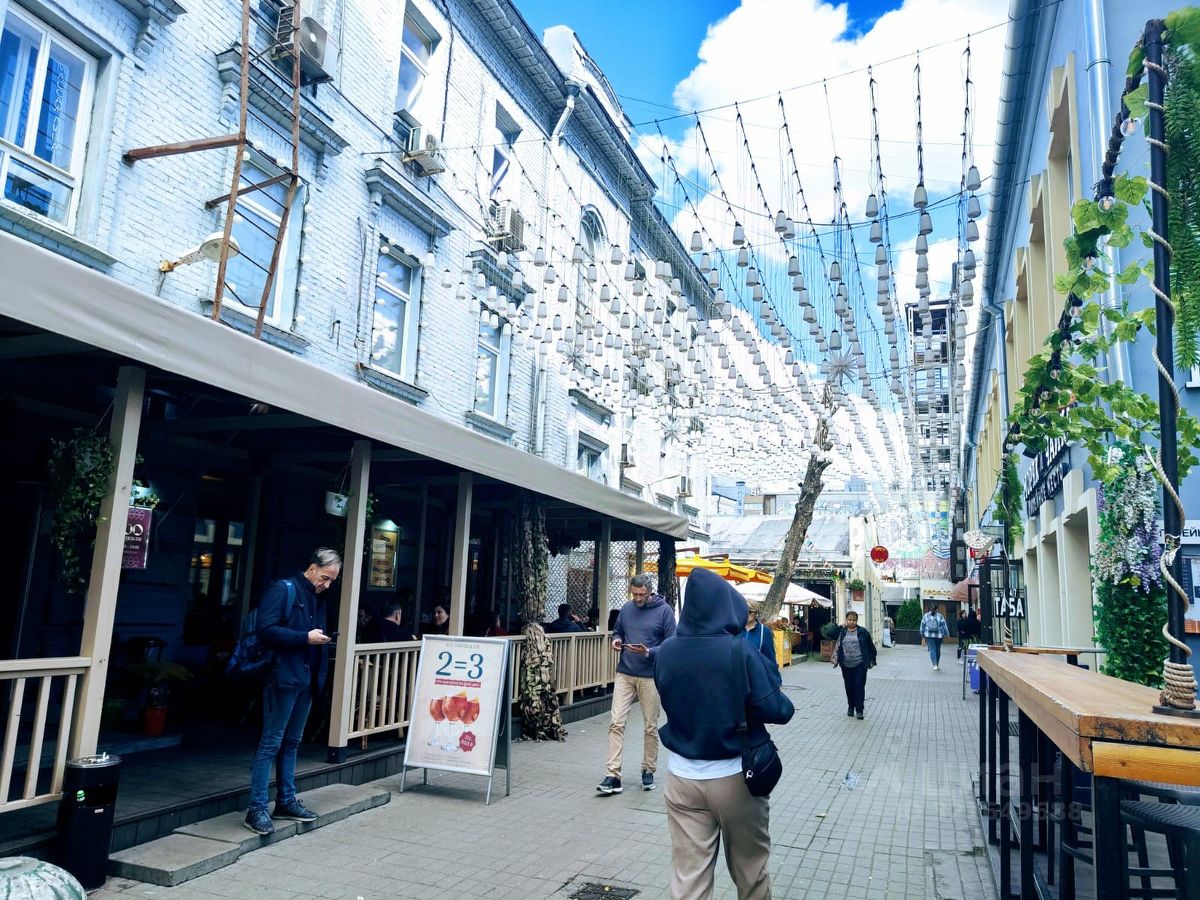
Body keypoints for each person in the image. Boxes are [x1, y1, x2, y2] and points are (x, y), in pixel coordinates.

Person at [654, 567, 794, 900]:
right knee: (750, 871)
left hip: (682, 777)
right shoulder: (738, 649)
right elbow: (779, 710)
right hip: (736, 777)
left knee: (689, 876)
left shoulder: (666, 650)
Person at [243, 548, 339, 836]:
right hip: (282, 676)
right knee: (271, 742)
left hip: (305, 679)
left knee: (292, 742)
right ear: (312, 568)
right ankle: (256, 808)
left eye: (332, 581)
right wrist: (304, 638)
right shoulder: (283, 589)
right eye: (325, 578)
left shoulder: (316, 597)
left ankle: (285, 800)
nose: (327, 584)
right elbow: (265, 629)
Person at [598, 573, 677, 795]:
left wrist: (649, 651)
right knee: (616, 722)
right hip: (625, 673)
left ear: (650, 592)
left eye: (642, 595)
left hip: (650, 676)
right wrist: (617, 640)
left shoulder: (664, 611)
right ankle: (613, 775)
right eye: (634, 594)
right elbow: (618, 631)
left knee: (650, 726)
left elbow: (672, 643)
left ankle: (648, 770)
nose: (638, 599)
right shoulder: (627, 608)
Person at [832, 611, 877, 719]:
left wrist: (872, 659)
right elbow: (830, 633)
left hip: (860, 664)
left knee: (859, 686)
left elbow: (870, 646)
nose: (851, 622)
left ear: (856, 621)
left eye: (854, 620)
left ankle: (859, 710)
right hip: (845, 664)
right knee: (849, 687)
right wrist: (838, 626)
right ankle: (851, 707)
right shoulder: (842, 631)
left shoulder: (863, 632)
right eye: (849, 620)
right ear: (846, 620)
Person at [742, 598, 778, 673]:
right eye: (743, 610)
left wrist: (775, 676)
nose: (745, 614)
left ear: (756, 613)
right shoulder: (737, 629)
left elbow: (770, 656)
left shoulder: (764, 631)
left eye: (749, 612)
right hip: (739, 674)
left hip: (756, 673)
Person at [920, 603, 950, 671]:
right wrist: (947, 633)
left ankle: (935, 665)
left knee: (932, 649)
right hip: (939, 635)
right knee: (937, 649)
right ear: (937, 609)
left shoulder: (926, 616)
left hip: (929, 635)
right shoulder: (940, 616)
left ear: (929, 608)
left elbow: (922, 625)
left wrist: (922, 633)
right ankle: (937, 664)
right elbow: (944, 625)